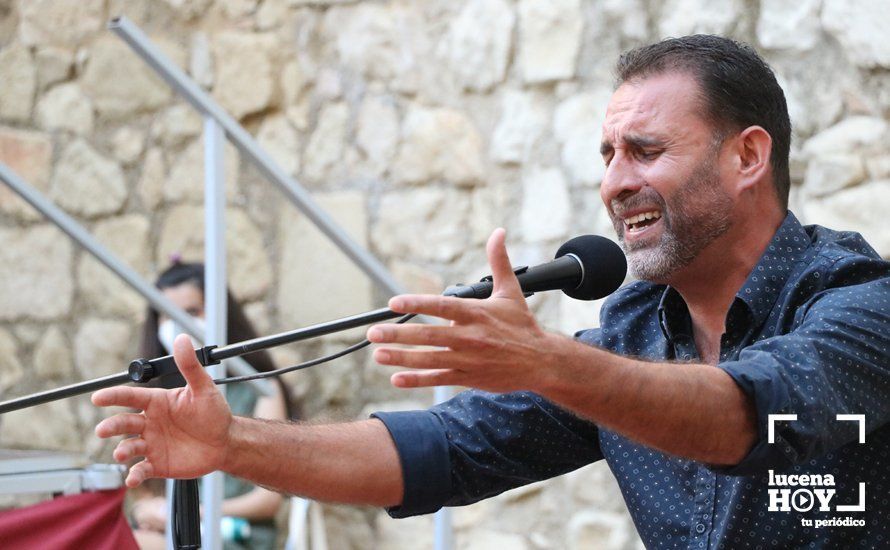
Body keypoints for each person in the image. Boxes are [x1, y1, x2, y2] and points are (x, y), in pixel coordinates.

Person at [93, 35, 889, 548]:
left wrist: (546, 362)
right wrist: (235, 445)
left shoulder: (859, 306)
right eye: (607, 154)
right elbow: (440, 450)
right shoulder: (631, 339)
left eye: (644, 150)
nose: (614, 183)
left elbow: (751, 416)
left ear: (748, 156)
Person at [128, 262, 295, 550]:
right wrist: (147, 511)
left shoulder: (261, 389)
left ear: (221, 313)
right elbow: (142, 490)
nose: (180, 327)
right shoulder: (156, 393)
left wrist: (197, 514)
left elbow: (268, 499)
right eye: (168, 316)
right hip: (170, 532)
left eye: (192, 313)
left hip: (236, 534)